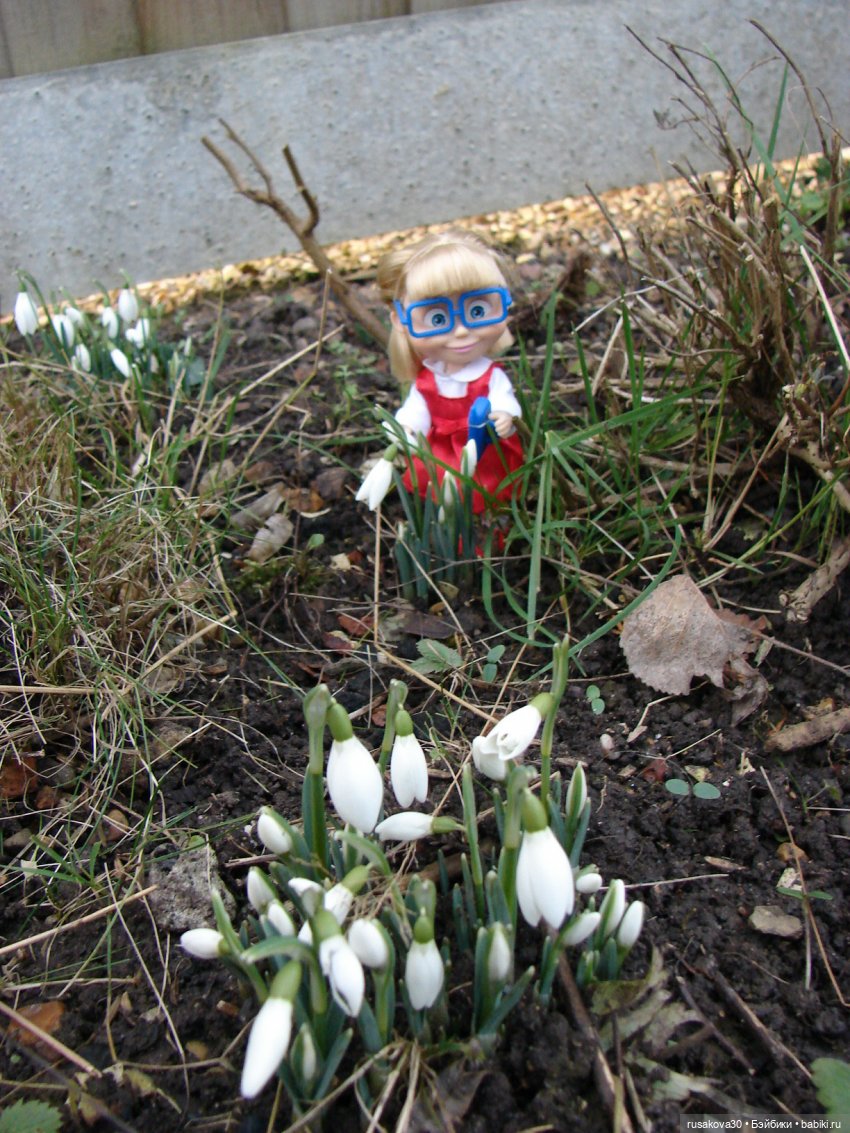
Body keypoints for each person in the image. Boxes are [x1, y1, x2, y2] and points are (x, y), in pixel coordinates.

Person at [376, 229, 524, 514]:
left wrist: (505, 415)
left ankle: (492, 524)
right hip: (440, 454)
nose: (461, 331)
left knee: (487, 495)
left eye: (477, 311)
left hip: (485, 453)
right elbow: (416, 411)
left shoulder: (489, 376)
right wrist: (406, 429)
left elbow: (504, 400)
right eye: (438, 318)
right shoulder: (428, 380)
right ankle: (449, 526)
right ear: (400, 321)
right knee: (440, 497)